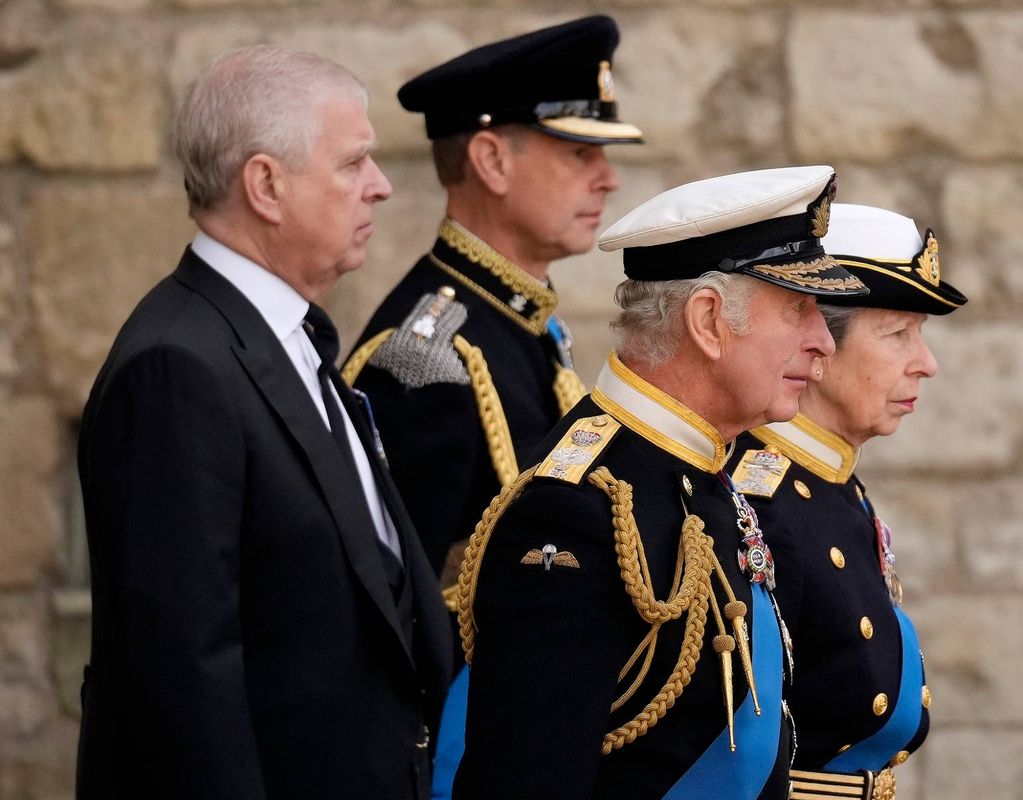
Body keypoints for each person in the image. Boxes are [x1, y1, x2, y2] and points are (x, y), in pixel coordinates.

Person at [75, 46, 452, 800]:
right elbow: (181, 682)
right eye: (352, 164)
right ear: (266, 185)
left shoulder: (283, 337)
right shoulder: (176, 366)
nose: (378, 188)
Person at [453, 167, 870, 799]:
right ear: (708, 321)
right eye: (799, 310)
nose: (822, 344)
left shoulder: (703, 470)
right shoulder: (578, 508)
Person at [343, 14, 643, 597]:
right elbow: (409, 610)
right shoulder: (427, 361)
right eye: (580, 154)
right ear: (491, 161)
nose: (608, 179)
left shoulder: (522, 325)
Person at [727, 203, 967, 800]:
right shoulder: (754, 500)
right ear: (817, 344)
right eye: (897, 334)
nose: (927, 364)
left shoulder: (834, 481)